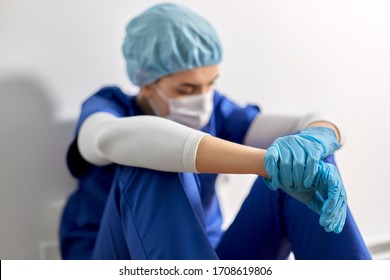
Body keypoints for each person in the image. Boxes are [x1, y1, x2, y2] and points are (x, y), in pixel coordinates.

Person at [59, 3, 371, 260]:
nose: (204, 98)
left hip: (210, 257)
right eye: (187, 88)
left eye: (211, 83)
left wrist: (317, 140)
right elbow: (105, 139)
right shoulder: (110, 106)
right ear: (146, 82)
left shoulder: (218, 111)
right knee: (152, 157)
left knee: (307, 159)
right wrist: (265, 164)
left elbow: (311, 122)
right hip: (118, 259)